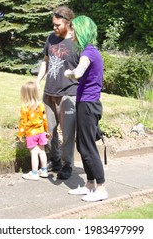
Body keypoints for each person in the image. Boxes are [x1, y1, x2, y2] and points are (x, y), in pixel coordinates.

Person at [64, 15, 108, 201]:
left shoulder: (88, 52)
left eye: (73, 28)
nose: (71, 31)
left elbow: (78, 72)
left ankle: (101, 188)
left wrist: (69, 73)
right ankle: (89, 184)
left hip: (89, 105)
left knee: (88, 147)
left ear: (81, 30)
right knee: (82, 145)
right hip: (86, 103)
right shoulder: (89, 51)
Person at [36, 6, 79, 179]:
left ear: (68, 23)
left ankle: (67, 164)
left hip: (68, 94)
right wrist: (37, 81)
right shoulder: (51, 38)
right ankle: (55, 160)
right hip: (49, 92)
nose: (54, 28)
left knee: (68, 132)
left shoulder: (77, 42)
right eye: (53, 24)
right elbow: (46, 61)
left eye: (58, 24)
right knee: (50, 130)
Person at [17, 81, 49, 180]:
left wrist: (20, 134)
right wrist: (46, 131)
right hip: (41, 132)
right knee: (42, 151)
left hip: (31, 133)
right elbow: (44, 119)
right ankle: (44, 170)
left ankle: (34, 173)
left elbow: (23, 122)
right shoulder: (41, 105)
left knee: (34, 153)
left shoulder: (25, 108)